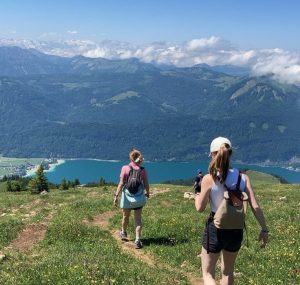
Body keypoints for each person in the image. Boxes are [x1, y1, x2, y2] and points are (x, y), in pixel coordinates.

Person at [195, 137, 268, 285]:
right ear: (230, 153)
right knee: (227, 272)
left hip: (216, 227)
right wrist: (264, 229)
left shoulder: (209, 178)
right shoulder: (243, 178)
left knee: (208, 273)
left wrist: (197, 195)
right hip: (236, 228)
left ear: (212, 155)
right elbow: (255, 206)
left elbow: (199, 208)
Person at [113, 148, 150, 249]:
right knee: (138, 219)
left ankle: (123, 233)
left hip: (127, 197)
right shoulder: (142, 170)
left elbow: (121, 183)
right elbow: (146, 184)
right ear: (140, 159)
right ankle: (137, 239)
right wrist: (147, 193)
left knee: (125, 216)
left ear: (131, 158)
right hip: (138, 198)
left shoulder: (125, 168)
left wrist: (116, 196)